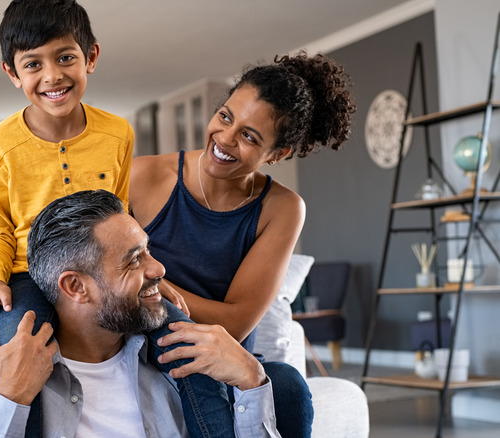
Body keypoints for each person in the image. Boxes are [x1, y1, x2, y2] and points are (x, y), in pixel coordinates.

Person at [0, 1, 231, 436]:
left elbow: (121, 217)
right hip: (26, 274)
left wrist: (148, 277)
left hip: (106, 275)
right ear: (12, 73)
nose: (52, 75)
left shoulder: (118, 133)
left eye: (65, 57)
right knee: (19, 349)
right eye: (33, 64)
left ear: (91, 57)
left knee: (186, 337)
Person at [129, 52, 356, 437]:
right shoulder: (143, 175)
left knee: (287, 386)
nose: (225, 139)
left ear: (278, 154)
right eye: (225, 117)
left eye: (249, 137)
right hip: (144, 339)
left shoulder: (282, 208)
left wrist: (155, 286)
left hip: (227, 352)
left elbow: (234, 322)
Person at [0, 189, 281, 438]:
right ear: (75, 287)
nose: (159, 269)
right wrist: (11, 397)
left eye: (148, 251)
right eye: (133, 260)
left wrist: (252, 379)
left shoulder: (183, 362)